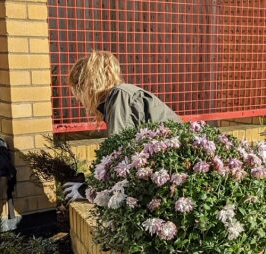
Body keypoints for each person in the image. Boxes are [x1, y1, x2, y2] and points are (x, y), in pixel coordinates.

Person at [63, 50, 181, 201]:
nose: (79, 99)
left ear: (87, 84)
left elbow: (121, 156)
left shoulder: (119, 97)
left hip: (173, 175)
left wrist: (88, 191)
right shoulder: (121, 95)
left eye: (78, 91)